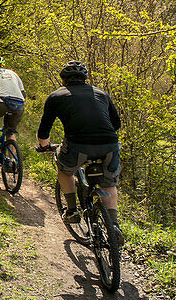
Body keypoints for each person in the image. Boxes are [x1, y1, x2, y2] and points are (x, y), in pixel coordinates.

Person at [36, 61, 124, 247]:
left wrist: (45, 145)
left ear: (63, 80)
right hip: (109, 144)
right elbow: (116, 124)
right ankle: (114, 225)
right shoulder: (101, 93)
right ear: (85, 79)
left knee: (65, 170)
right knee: (109, 183)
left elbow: (44, 129)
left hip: (78, 146)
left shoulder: (56, 96)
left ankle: (72, 211)